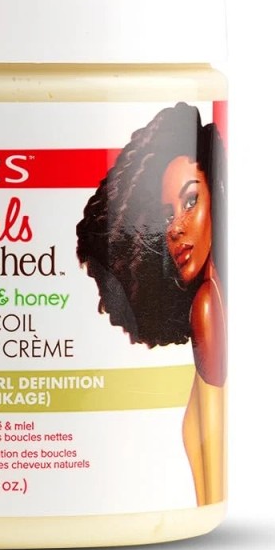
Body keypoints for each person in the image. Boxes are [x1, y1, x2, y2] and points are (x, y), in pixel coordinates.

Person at [76, 102, 227, 505]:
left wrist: (208, 513)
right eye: (165, 215)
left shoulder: (209, 307)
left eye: (190, 201)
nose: (175, 228)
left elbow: (214, 463)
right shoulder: (214, 301)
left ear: (218, 196)